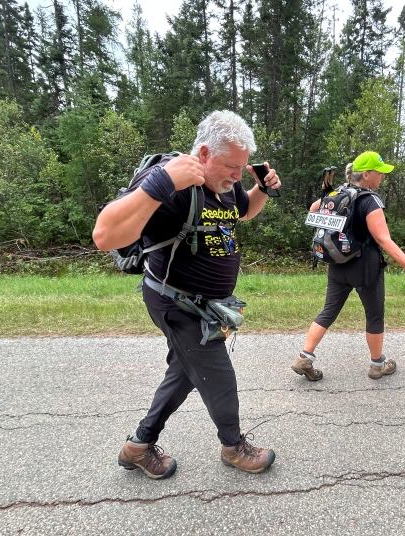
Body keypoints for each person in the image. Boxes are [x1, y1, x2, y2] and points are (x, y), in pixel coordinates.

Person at [93, 110, 280, 479]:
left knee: (185, 371)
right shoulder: (171, 181)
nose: (236, 175)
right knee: (217, 373)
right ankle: (233, 446)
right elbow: (105, 236)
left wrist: (262, 191)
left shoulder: (226, 186)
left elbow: (243, 214)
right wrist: (160, 183)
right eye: (231, 166)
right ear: (205, 154)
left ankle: (138, 446)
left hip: (210, 305)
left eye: (243, 168)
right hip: (176, 301)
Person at [291, 151, 405, 381]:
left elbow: (313, 210)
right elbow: (384, 239)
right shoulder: (369, 200)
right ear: (366, 174)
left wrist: (328, 201)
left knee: (329, 310)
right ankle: (377, 365)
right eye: (379, 172)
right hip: (365, 269)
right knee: (374, 315)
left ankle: (305, 357)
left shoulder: (338, 193)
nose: (382, 177)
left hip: (337, 263)